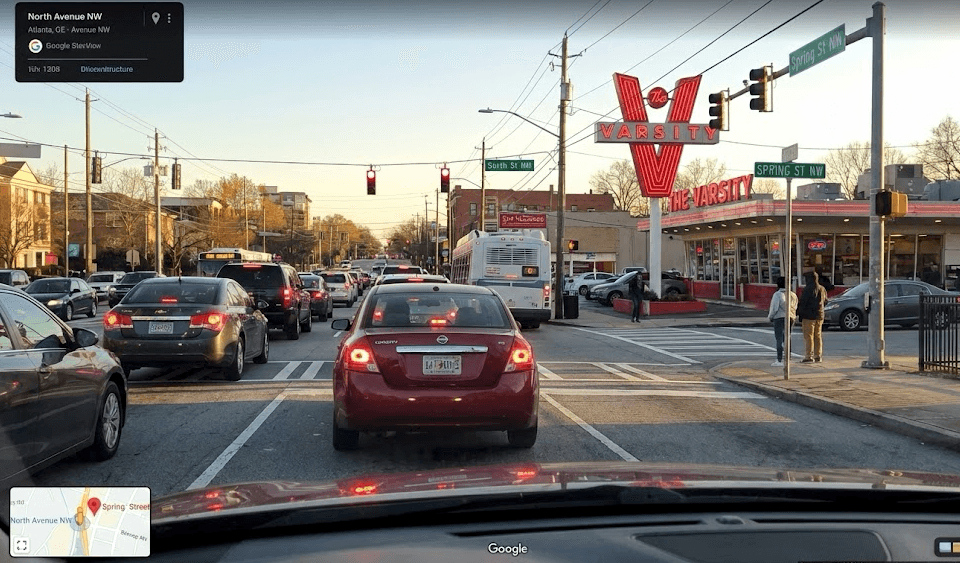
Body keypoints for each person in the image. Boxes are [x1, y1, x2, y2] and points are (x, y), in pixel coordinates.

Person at [796, 271, 828, 363]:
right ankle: (818, 355)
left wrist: (799, 313)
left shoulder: (807, 289)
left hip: (808, 316)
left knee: (808, 336)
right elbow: (826, 301)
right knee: (817, 336)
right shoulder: (822, 288)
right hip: (820, 315)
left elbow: (803, 303)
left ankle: (809, 356)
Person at [767, 276, 797, 367]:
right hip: (790, 317)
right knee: (788, 337)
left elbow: (774, 308)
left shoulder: (777, 294)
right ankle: (788, 358)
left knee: (779, 339)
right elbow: (795, 307)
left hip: (779, 317)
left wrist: (770, 317)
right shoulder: (793, 294)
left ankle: (779, 359)